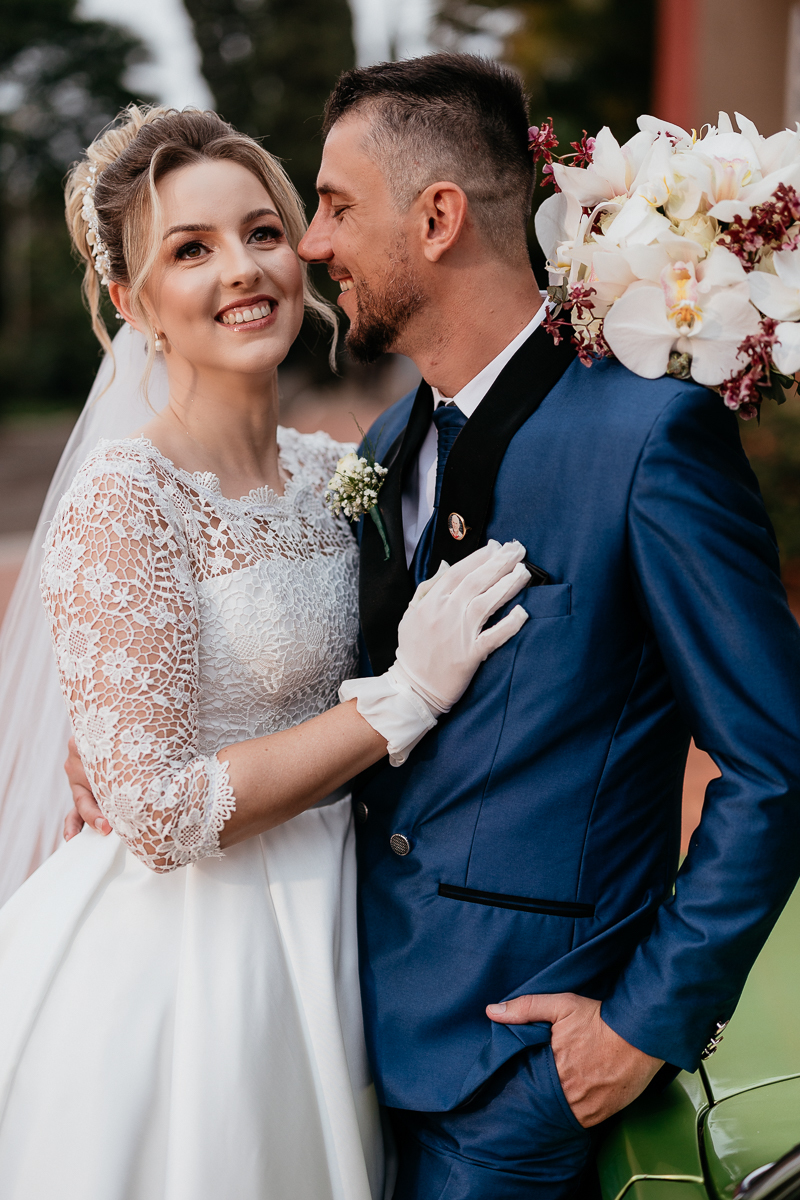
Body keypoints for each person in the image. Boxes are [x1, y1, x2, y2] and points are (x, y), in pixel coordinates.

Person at [66, 56, 800, 1198]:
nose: (310, 246)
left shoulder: (646, 440)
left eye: (331, 209)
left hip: (518, 1068)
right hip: (325, 1023)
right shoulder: (374, 455)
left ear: (439, 218)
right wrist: (131, 751)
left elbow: (774, 763)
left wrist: (642, 1027)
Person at [0, 103, 533, 1200]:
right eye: (189, 250)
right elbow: (155, 812)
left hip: (348, 918)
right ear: (130, 302)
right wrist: (399, 699)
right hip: (197, 960)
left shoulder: (340, 472)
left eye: (260, 232)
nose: (242, 269)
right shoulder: (124, 499)